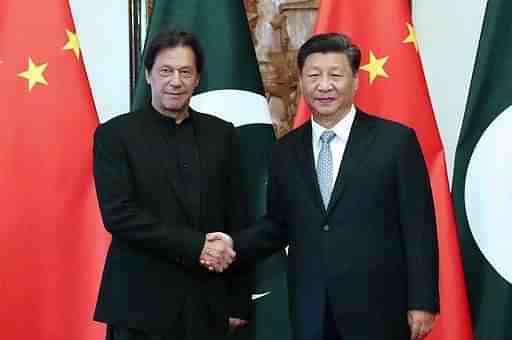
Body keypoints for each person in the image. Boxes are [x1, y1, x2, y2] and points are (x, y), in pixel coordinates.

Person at [204, 33, 439, 340]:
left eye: (335, 75)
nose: (324, 85)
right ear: (301, 81)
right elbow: (277, 225)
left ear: (355, 80)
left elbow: (418, 226)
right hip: (311, 305)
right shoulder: (285, 150)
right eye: (314, 75)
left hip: (379, 306)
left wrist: (422, 302)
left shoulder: (395, 142)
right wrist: (232, 244)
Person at [93, 29, 249, 340]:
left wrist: (238, 301)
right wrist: (196, 246)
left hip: (207, 304)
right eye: (165, 71)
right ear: (148, 75)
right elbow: (119, 216)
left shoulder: (222, 134)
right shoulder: (115, 135)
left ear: (197, 79)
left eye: (185, 72)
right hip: (139, 305)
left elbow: (238, 217)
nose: (175, 81)